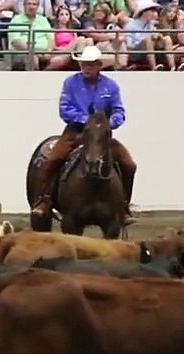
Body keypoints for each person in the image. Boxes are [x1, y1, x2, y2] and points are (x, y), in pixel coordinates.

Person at [33, 44, 137, 225]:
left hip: (102, 136)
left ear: (98, 65)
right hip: (75, 132)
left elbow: (119, 111)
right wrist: (86, 121)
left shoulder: (110, 86)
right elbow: (65, 109)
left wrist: (108, 123)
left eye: (89, 64)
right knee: (53, 160)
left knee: (129, 164)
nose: (85, 68)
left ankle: (123, 205)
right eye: (83, 64)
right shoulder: (71, 83)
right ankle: (45, 200)